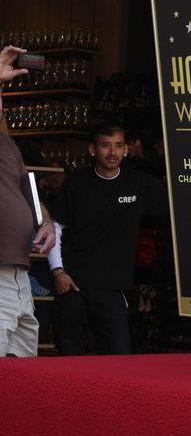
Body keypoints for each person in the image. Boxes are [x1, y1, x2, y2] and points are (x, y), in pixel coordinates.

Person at [48, 121, 167, 355]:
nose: (112, 152)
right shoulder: (77, 184)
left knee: (119, 357)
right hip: (73, 285)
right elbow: (54, 227)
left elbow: (177, 202)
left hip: (113, 289)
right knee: (68, 360)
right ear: (93, 149)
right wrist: (58, 272)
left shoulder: (139, 183)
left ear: (126, 149)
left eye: (118, 146)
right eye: (105, 146)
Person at [0, 45, 55, 357]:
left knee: (23, 378)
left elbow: (30, 196)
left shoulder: (8, 146)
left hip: (21, 275)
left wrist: (46, 222)